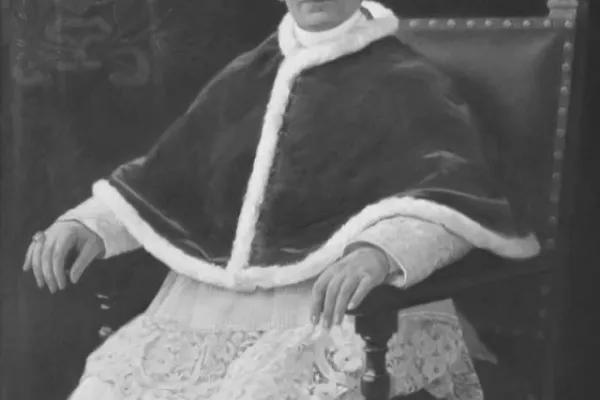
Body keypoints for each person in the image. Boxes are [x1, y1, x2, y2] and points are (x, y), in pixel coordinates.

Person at [22, 1, 541, 399]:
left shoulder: (406, 80)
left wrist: (379, 252)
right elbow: (167, 175)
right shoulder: (248, 75)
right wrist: (91, 223)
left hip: (342, 309)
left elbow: (448, 194)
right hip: (211, 305)